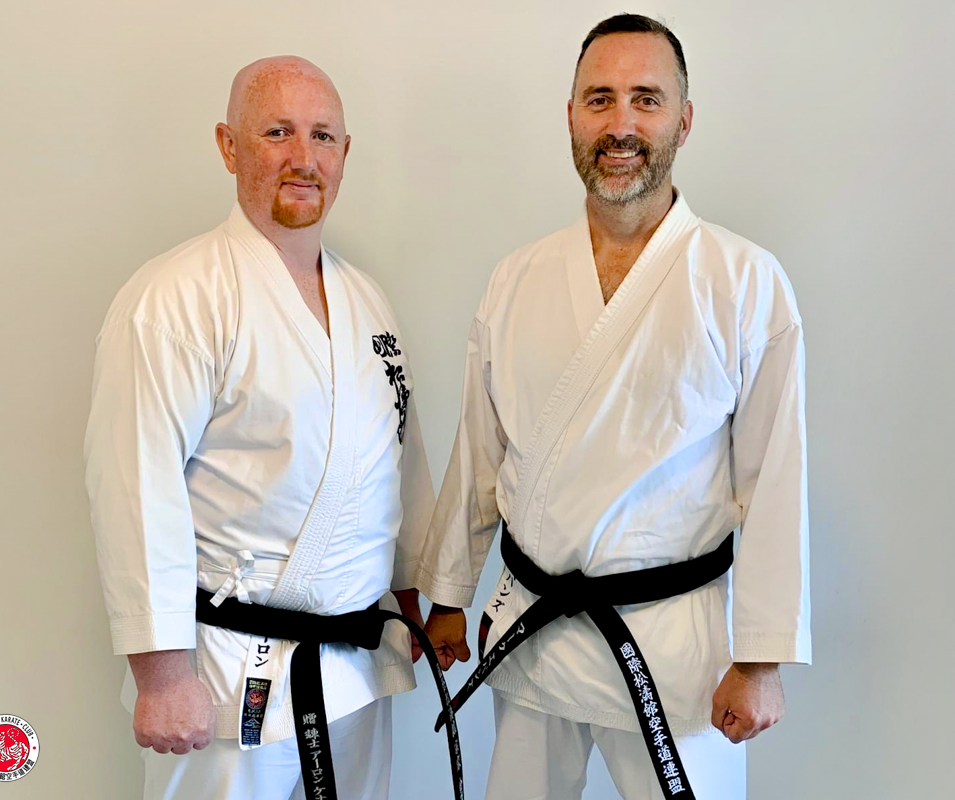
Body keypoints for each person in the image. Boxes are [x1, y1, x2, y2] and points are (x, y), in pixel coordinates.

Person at [417, 14, 810, 800]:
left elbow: (774, 480)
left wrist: (761, 660)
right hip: (534, 635)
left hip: (675, 651)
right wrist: (449, 597)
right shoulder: (517, 278)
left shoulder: (744, 281)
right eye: (599, 99)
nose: (621, 124)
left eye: (646, 100)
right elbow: (481, 452)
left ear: (684, 121)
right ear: (570, 115)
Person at [84, 56, 447, 800]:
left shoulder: (366, 299)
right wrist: (161, 675)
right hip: (223, 678)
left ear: (346, 153)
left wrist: (418, 599)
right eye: (276, 132)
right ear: (228, 146)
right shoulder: (176, 296)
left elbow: (397, 464)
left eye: (322, 136)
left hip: (356, 670)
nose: (302, 157)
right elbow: (134, 486)